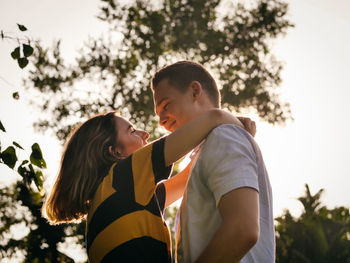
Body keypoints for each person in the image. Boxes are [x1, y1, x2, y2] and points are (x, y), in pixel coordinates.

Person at [42, 109, 253, 262]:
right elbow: (214, 117)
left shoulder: (115, 198)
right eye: (132, 131)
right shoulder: (122, 176)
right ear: (115, 152)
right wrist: (238, 128)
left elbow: (190, 176)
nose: (145, 134)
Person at [152, 61, 275, 263]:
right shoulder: (207, 149)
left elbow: (242, 230)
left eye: (166, 105)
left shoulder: (224, 137)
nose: (161, 121)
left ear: (194, 91)